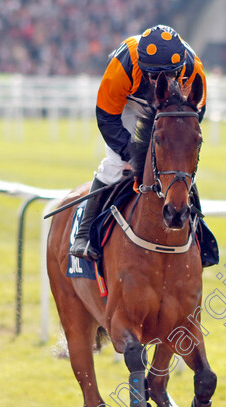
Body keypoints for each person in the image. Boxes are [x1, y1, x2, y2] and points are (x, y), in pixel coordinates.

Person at [69, 24, 207, 260]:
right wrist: (130, 154)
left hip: (173, 105)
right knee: (114, 164)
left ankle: (200, 237)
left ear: (180, 68)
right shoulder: (123, 65)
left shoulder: (194, 70)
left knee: (181, 169)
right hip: (130, 103)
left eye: (168, 75)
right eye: (152, 75)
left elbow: (194, 118)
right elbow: (106, 116)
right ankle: (83, 235)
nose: (157, 82)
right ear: (142, 67)